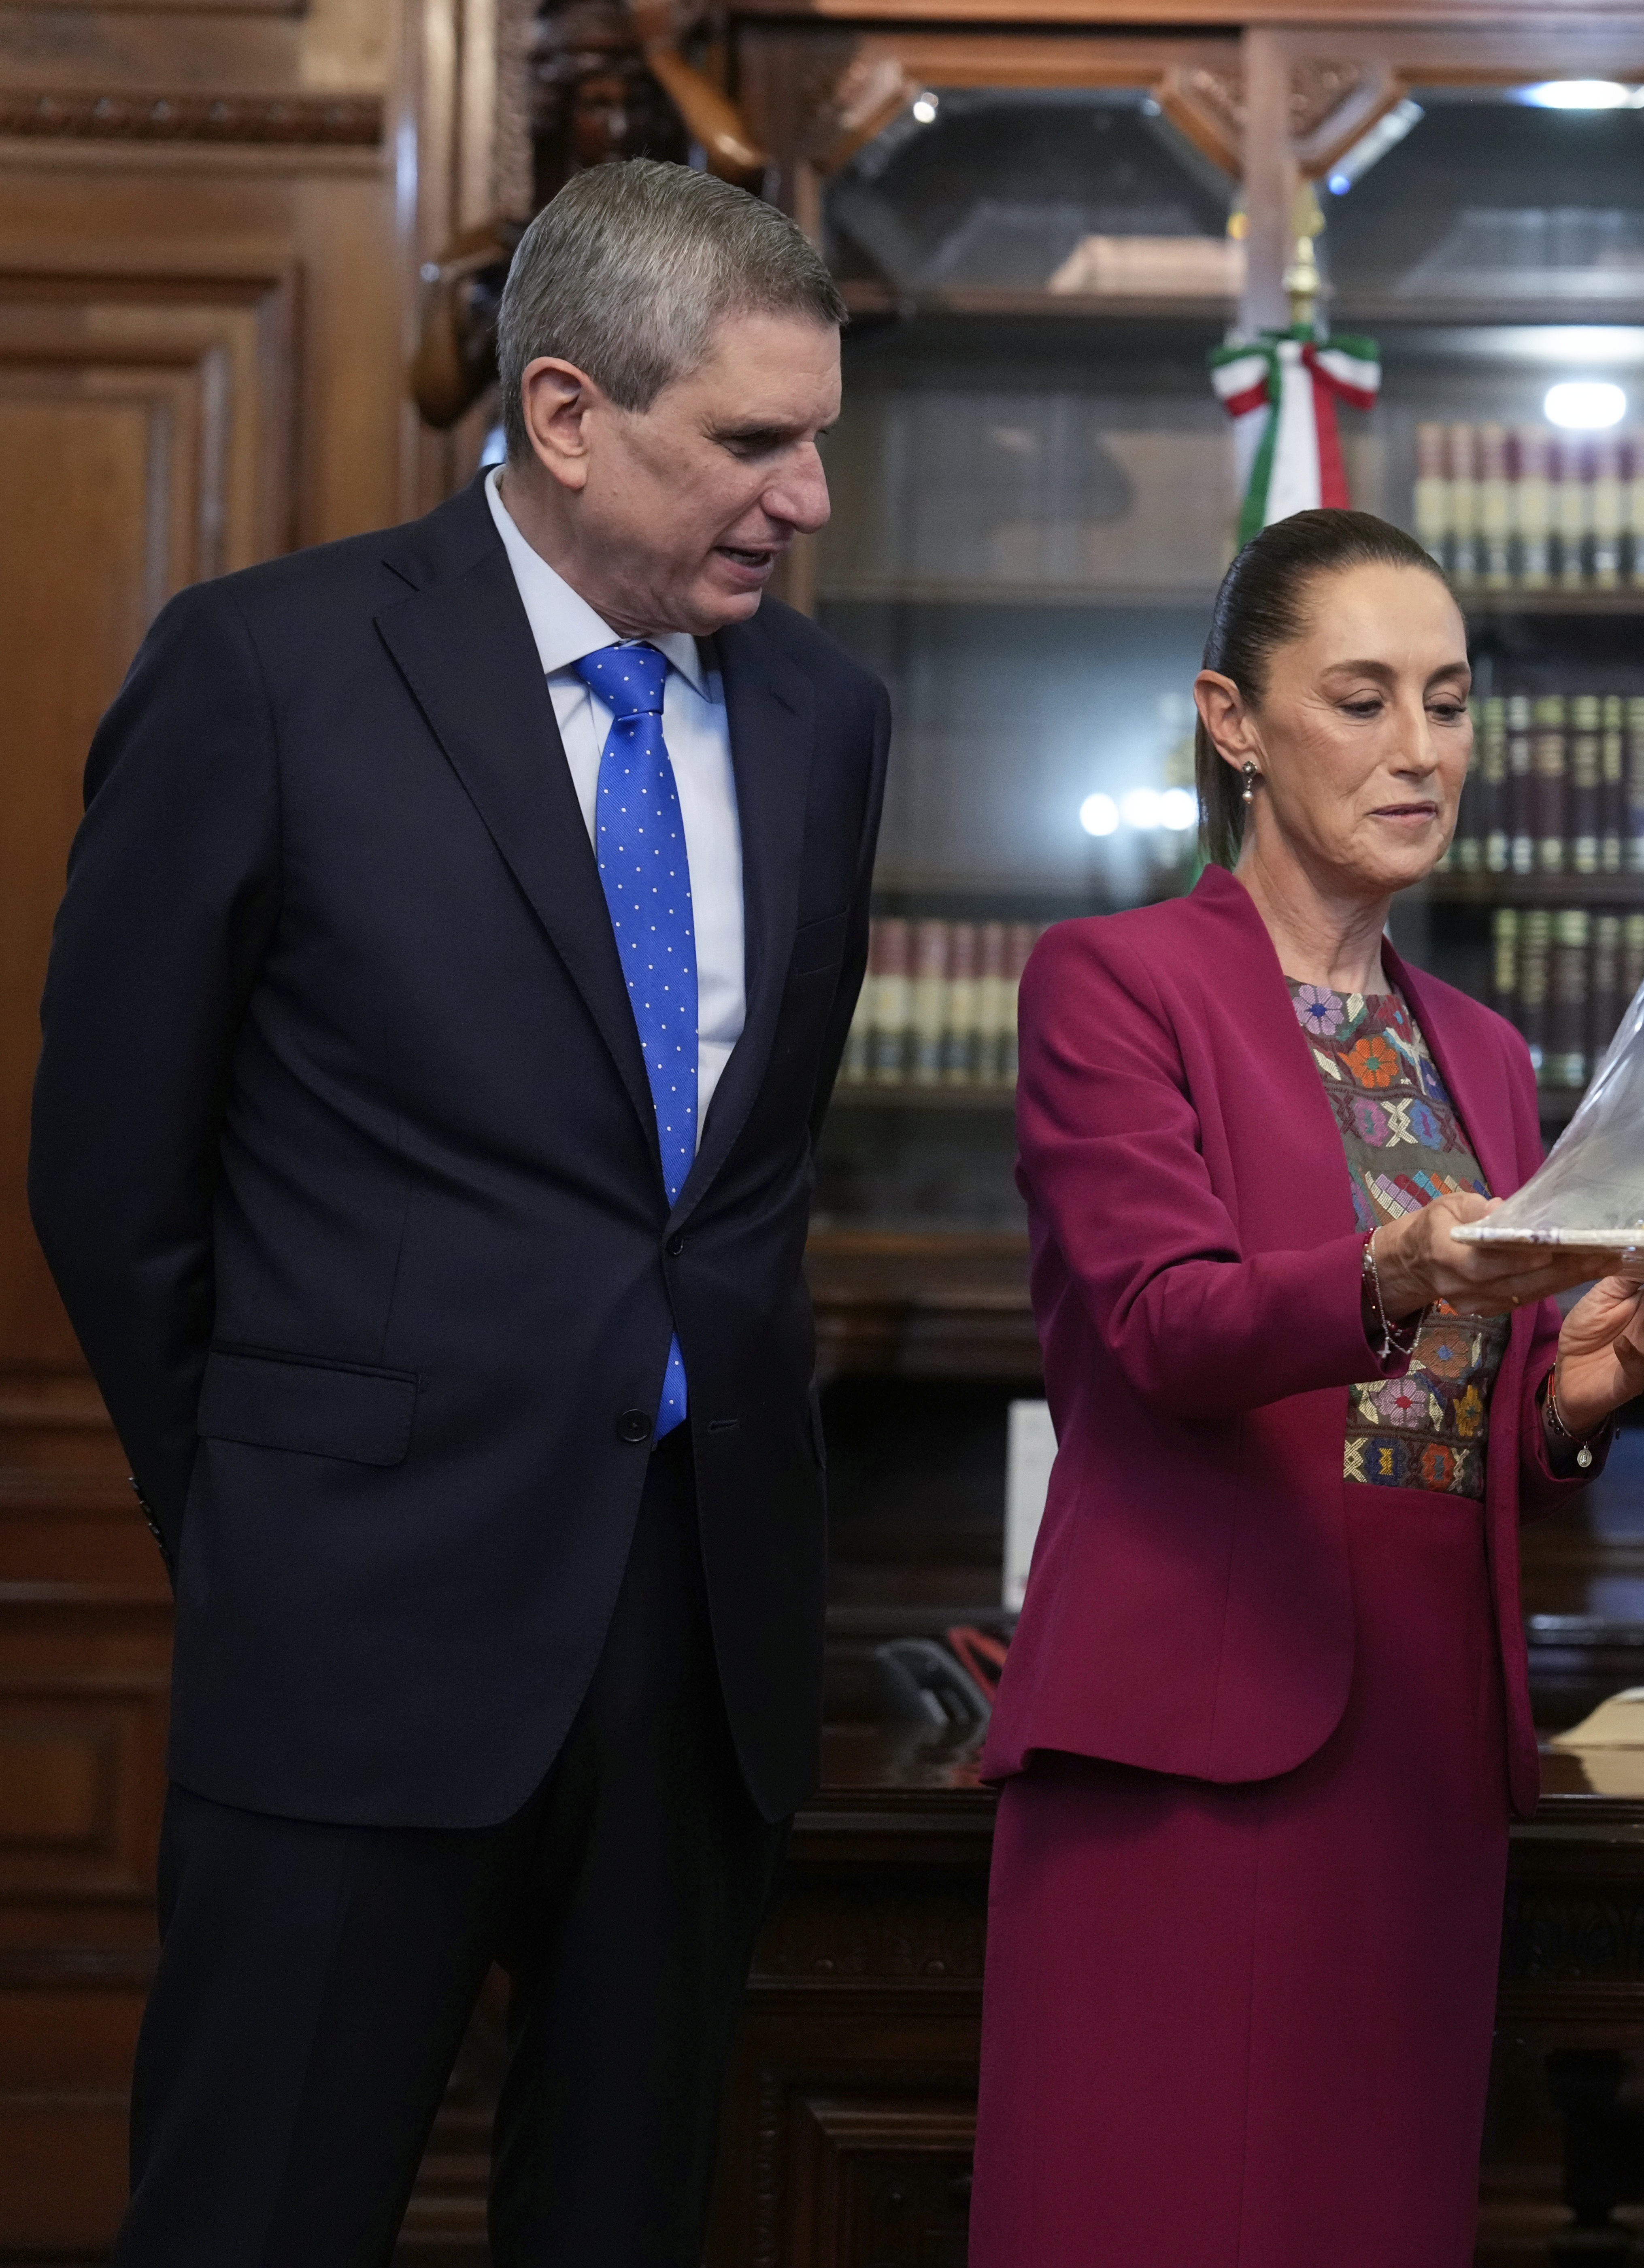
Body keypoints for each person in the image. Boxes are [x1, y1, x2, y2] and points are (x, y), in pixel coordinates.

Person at [27, 158, 885, 2262]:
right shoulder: (267, 672)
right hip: (356, 1626)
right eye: (753, 443)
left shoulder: (824, 719)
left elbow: (741, 1187)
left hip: (700, 1642)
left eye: (818, 441)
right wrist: (264, 1510)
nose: (806, 500)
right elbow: (111, 1173)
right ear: (568, 414)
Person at [966, 507, 1644, 2267]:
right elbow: (1165, 1325)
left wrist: (1578, 1390)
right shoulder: (1113, 984)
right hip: (1189, 1748)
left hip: (1423, 1754)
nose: (1419, 750)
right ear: (1233, 721)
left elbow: (1460, 1430)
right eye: (1363, 698)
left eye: (1448, 703)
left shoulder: (1483, 1052)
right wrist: (1396, 1272)